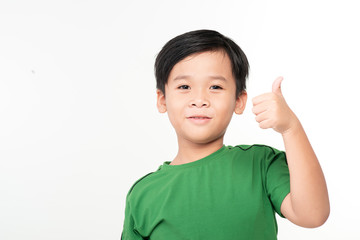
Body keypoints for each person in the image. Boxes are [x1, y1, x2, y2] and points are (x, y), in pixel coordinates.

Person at [121, 29, 330, 240]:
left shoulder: (260, 165)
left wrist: (291, 128)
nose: (199, 99)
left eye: (215, 86)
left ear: (239, 100)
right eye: (184, 86)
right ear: (162, 100)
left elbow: (313, 215)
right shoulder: (143, 194)